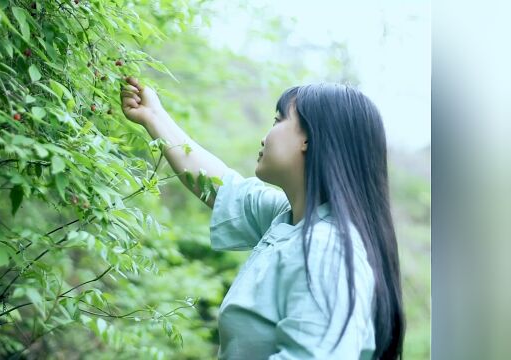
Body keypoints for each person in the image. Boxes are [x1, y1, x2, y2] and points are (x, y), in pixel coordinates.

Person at [120, 77, 405, 359]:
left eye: (278, 121)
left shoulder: (327, 249)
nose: (265, 136)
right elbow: (219, 186)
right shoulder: (290, 219)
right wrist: (153, 115)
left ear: (310, 137)